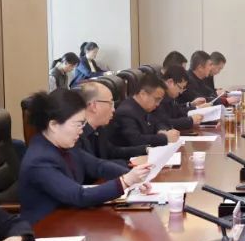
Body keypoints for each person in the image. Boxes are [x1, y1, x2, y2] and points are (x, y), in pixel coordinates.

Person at [18, 90, 150, 224]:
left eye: (83, 124)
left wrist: (131, 176)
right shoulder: (40, 160)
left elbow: (98, 166)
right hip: (46, 229)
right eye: (78, 124)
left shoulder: (65, 146)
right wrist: (125, 182)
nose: (81, 130)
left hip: (70, 219)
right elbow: (79, 196)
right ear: (54, 125)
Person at [77, 80, 145, 165]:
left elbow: (112, 152)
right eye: (110, 103)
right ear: (94, 106)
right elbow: (93, 167)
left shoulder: (99, 128)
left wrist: (145, 149)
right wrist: (130, 163)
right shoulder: (77, 135)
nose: (113, 109)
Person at [111, 71, 181, 150]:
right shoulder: (126, 112)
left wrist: (161, 130)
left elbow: (159, 121)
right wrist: (164, 138)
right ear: (143, 94)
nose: (158, 104)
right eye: (156, 99)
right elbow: (136, 140)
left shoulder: (145, 107)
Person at [156, 66, 205, 131]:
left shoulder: (169, 95)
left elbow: (178, 112)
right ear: (170, 82)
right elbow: (164, 122)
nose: (181, 92)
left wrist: (196, 110)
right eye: (180, 87)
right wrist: (190, 120)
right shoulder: (158, 95)